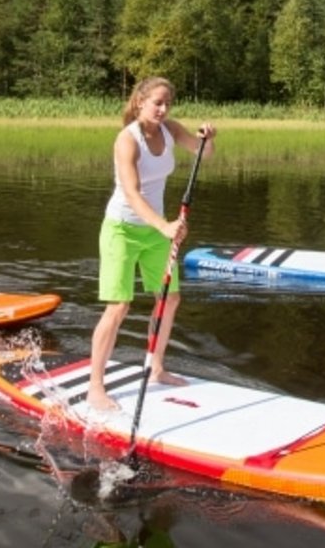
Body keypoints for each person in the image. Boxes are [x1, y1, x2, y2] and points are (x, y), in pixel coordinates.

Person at [88, 76, 215, 415]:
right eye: (157, 102)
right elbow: (132, 192)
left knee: (170, 298)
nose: (162, 109)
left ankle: (156, 368)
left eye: (167, 104)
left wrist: (206, 138)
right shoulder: (126, 141)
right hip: (123, 229)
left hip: (158, 232)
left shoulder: (170, 129)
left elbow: (205, 152)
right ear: (140, 101)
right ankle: (95, 387)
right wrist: (164, 226)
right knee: (119, 307)